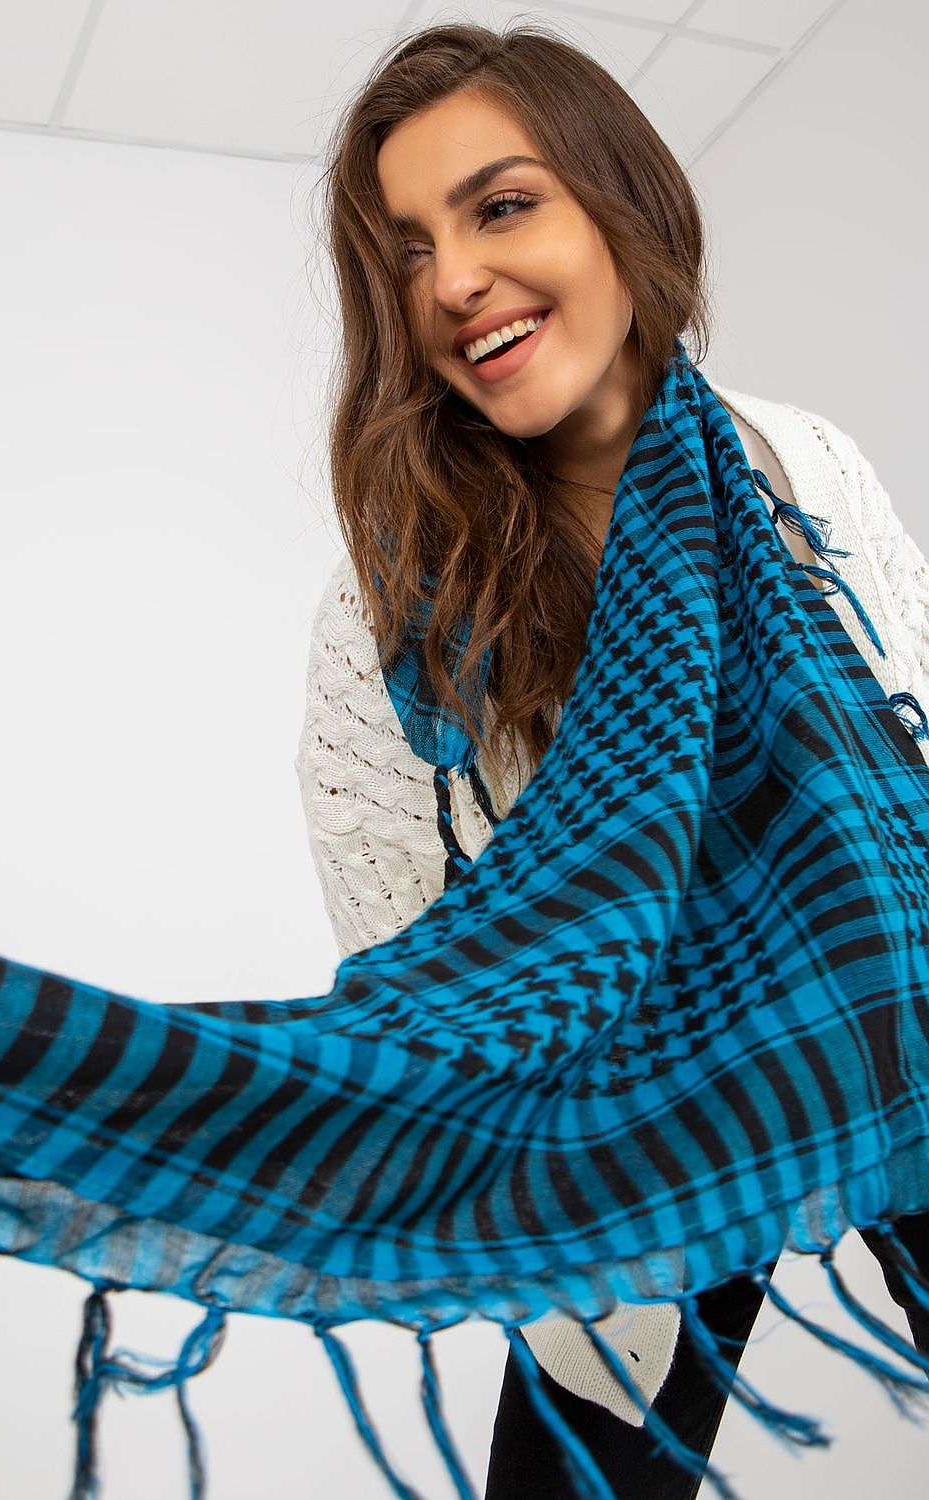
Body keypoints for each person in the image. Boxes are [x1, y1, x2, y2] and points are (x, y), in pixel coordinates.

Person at [294, 20, 929, 1498]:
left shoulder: (801, 464)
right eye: (404, 251)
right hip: (628, 1159)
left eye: (501, 206)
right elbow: (409, 988)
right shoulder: (391, 607)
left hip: (893, 1040)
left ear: (621, 207)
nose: (452, 280)